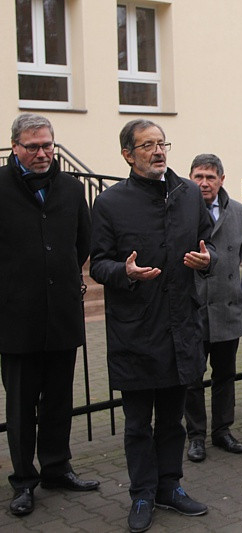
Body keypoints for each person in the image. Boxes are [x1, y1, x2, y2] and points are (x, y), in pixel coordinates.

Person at [90, 119, 214, 531]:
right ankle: (142, 494)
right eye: (148, 146)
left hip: (181, 325)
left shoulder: (189, 193)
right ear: (128, 154)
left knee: (173, 420)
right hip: (136, 329)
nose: (159, 151)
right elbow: (99, 262)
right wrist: (123, 272)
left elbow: (207, 242)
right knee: (138, 423)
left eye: (162, 144)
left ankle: (170, 487)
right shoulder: (110, 203)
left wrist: (207, 259)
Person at [0, 113, 97, 517]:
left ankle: (57, 467)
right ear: (15, 148)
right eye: (33, 146)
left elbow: (83, 241)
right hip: (15, 317)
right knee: (21, 404)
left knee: (58, 399)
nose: (42, 153)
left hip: (61, 314)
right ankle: (24, 481)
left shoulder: (72, 188)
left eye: (47, 145)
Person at [184, 154, 242, 462]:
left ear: (222, 179)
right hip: (193, 309)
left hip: (226, 307)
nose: (204, 182)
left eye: (210, 177)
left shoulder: (239, 212)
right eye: (198, 176)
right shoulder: (180, 211)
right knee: (193, 377)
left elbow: (241, 254)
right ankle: (195, 436)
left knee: (225, 374)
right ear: (190, 178)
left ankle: (223, 430)